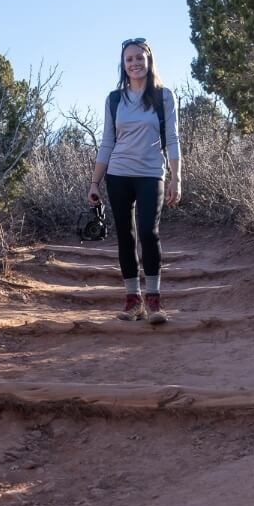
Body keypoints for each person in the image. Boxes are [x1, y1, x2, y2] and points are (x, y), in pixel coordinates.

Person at [88, 38, 182, 324]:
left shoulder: (164, 96)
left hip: (152, 172)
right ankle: (133, 301)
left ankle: (154, 302)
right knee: (125, 237)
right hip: (118, 174)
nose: (135, 63)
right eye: (129, 59)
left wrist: (176, 178)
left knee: (147, 232)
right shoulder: (115, 99)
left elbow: (173, 140)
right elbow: (107, 142)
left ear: (149, 60)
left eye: (139, 58)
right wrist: (95, 182)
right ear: (123, 64)